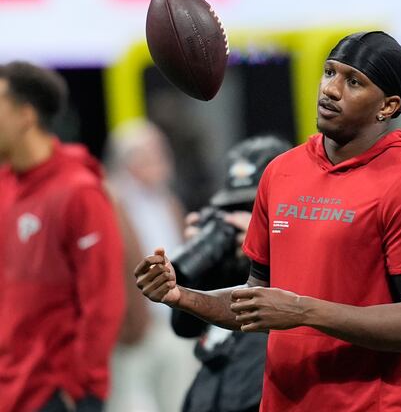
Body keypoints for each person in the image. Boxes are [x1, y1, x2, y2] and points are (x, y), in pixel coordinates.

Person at [134, 31, 401, 411]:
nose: (331, 90)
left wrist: (303, 311)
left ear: (387, 107)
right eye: (329, 73)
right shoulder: (282, 172)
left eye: (353, 81)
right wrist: (181, 296)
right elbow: (258, 300)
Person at [0, 61, 125, 411]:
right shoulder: (5, 187)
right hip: (10, 390)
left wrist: (80, 383)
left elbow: (103, 300)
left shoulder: (79, 191)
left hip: (58, 393)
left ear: (25, 115)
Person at [172, 135, 291, 412]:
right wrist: (199, 261)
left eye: (254, 208)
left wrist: (268, 247)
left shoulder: (302, 249)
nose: (239, 220)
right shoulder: (227, 262)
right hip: (218, 392)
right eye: (230, 210)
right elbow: (183, 327)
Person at [104, 120, 200, 412]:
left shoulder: (168, 201)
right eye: (150, 154)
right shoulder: (109, 202)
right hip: (134, 327)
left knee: (179, 401)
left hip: (171, 321)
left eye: (160, 152)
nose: (161, 160)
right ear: (128, 161)